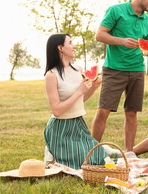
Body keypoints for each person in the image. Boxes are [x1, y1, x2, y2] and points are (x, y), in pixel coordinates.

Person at [92, 0, 148, 156]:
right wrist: (122, 41)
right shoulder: (116, 11)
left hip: (137, 70)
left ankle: (129, 152)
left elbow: (146, 46)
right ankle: (91, 151)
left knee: (132, 112)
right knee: (103, 111)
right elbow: (99, 35)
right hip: (114, 69)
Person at [43, 33, 107, 170]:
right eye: (70, 43)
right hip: (60, 129)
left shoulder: (78, 69)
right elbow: (57, 111)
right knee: (81, 164)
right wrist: (79, 91)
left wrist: (94, 87)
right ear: (60, 48)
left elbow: (80, 100)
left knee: (99, 157)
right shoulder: (51, 75)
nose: (74, 46)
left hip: (78, 125)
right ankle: (53, 151)